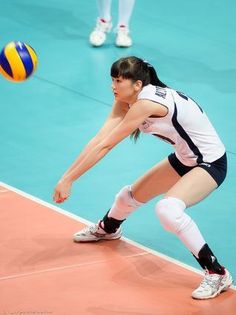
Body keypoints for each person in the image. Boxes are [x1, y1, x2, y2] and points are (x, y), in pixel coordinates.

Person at [53, 56, 233, 300]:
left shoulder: (145, 104)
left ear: (137, 84)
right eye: (112, 80)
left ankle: (217, 272)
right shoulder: (126, 100)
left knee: (168, 210)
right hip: (185, 158)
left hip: (210, 163)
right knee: (127, 197)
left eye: (118, 80)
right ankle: (108, 229)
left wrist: (70, 179)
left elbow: (107, 146)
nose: (113, 86)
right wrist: (66, 176)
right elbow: (99, 139)